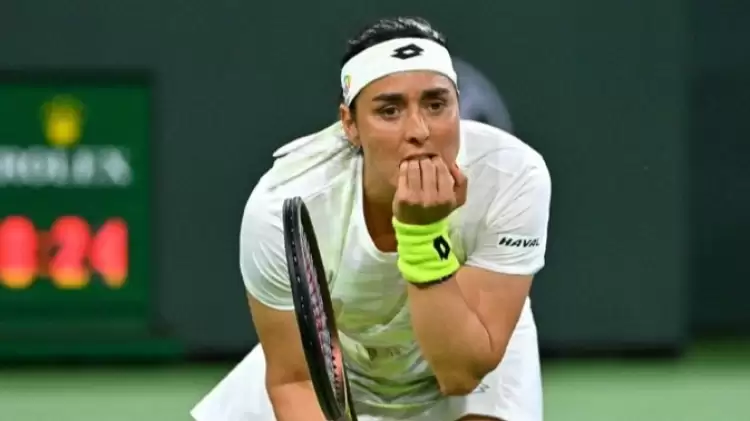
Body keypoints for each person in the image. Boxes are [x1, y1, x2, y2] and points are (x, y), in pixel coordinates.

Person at [191, 16, 551, 421]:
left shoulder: (512, 177)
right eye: (389, 110)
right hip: (333, 366)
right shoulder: (284, 206)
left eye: (436, 105)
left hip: (465, 354)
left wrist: (422, 234)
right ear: (350, 124)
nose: (419, 130)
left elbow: (460, 374)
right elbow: (296, 381)